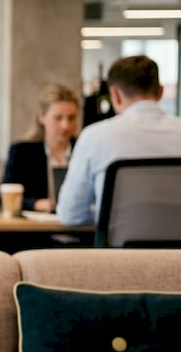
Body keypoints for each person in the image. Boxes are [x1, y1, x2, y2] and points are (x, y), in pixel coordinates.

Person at [57, 55, 181, 226]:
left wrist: (106, 211)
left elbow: (70, 215)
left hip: (119, 252)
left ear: (114, 94)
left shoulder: (95, 136)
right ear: (160, 92)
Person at [2, 83, 80, 212]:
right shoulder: (22, 152)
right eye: (58, 118)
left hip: (78, 225)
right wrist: (37, 204)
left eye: (71, 118)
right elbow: (4, 198)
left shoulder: (84, 150)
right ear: (41, 117)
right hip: (36, 228)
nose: (66, 125)